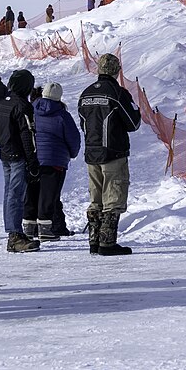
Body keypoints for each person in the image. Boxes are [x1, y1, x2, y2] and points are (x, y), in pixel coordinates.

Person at [78, 53, 141, 256]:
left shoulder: (85, 94)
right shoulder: (118, 93)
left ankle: (94, 241)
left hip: (91, 152)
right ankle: (107, 243)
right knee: (113, 196)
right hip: (113, 151)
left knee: (95, 198)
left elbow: (82, 123)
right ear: (116, 70)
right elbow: (133, 124)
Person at [0, 69, 41, 254]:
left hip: (7, 155)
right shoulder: (22, 106)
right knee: (15, 195)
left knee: (9, 194)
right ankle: (15, 235)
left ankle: (13, 232)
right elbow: (28, 136)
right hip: (18, 157)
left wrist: (4, 145)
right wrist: (32, 161)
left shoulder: (3, 103)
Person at [31, 83, 81, 242]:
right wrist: (72, 154)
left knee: (34, 194)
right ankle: (48, 228)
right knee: (51, 196)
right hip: (55, 161)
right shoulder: (62, 115)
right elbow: (73, 138)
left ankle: (32, 228)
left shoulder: (32, 110)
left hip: (34, 159)